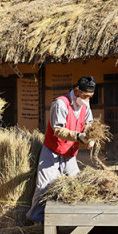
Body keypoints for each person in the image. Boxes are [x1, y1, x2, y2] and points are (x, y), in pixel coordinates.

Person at [26, 76, 96, 223]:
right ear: (77, 91)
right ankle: (37, 222)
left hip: (70, 153)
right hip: (52, 151)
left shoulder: (85, 105)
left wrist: (91, 137)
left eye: (90, 97)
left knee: (77, 184)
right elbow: (58, 130)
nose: (88, 99)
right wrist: (79, 136)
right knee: (44, 187)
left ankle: (70, 220)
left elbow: (89, 123)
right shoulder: (60, 103)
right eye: (85, 96)